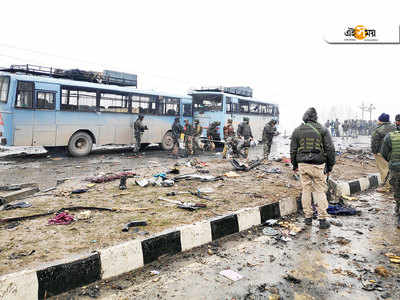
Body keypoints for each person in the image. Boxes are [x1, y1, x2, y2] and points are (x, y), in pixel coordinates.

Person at [290, 107, 336, 229]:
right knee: (320, 190)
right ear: (315, 117)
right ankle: (322, 219)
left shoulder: (297, 130)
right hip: (318, 165)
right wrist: (330, 165)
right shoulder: (323, 129)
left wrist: (294, 165)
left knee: (306, 190)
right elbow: (330, 149)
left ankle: (308, 218)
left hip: (303, 165)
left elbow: (293, 150)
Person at [380, 114, 400, 228]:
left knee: (397, 191)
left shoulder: (390, 136)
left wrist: (392, 160)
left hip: (396, 168)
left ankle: (398, 210)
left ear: (396, 123)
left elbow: (384, 153)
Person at [371, 113, 396, 191]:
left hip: (381, 153)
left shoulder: (379, 129)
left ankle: (387, 186)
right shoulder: (394, 127)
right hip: (393, 152)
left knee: (384, 169)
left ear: (381, 120)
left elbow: (374, 142)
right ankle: (392, 185)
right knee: (392, 169)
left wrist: (374, 152)